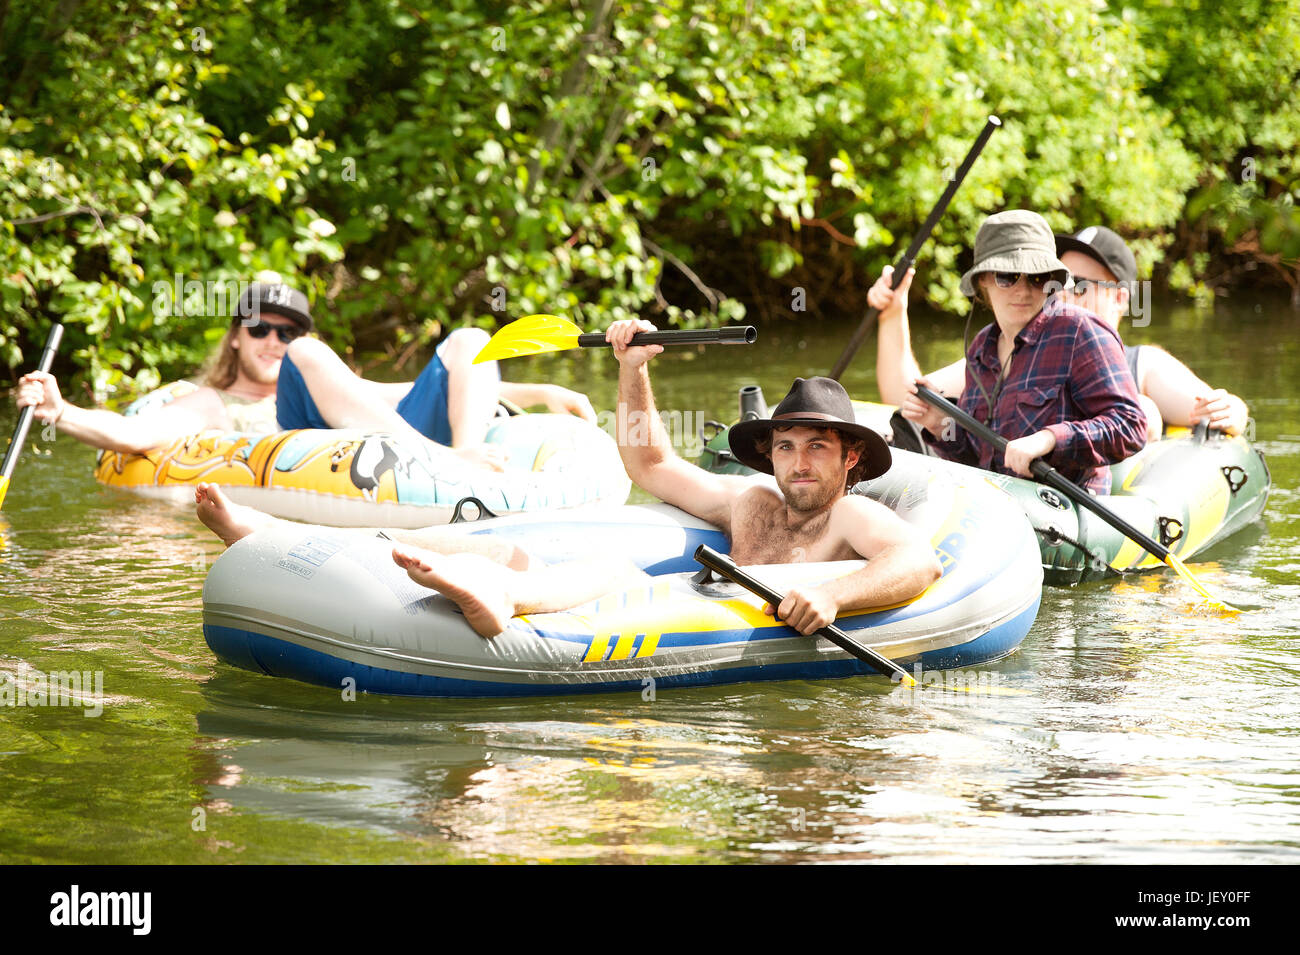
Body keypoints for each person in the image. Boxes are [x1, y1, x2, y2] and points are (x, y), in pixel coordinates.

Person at [195, 320, 943, 639]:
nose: (800, 460)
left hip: (688, 621)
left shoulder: (850, 522)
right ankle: (280, 531)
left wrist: (832, 592)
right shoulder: (747, 501)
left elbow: (919, 561)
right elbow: (649, 462)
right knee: (505, 544)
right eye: (786, 446)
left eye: (818, 447)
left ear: (850, 458)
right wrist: (631, 369)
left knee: (608, 570)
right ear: (769, 456)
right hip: (687, 600)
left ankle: (498, 605)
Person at [14, 281, 595, 469]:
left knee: (471, 338)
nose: (275, 342)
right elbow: (136, 436)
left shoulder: (330, 380)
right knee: (314, 357)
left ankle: (464, 459)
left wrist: (540, 390)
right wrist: (61, 412)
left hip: (402, 443)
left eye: (287, 333)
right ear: (236, 336)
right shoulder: (213, 400)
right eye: (262, 329)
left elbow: (396, 391)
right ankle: (447, 461)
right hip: (313, 449)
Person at [874, 225, 1248, 441]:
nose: (1062, 295)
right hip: (1021, 501)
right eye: (1055, 280)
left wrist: (1235, 410)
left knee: (1148, 412)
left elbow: (1213, 409)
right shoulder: (1006, 352)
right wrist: (894, 314)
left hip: (1100, 505)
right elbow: (904, 396)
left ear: (1120, 298)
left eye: (1080, 284)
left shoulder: (1143, 364)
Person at [871, 210, 1147, 493]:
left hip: (1063, 513)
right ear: (983, 282)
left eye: (1038, 278)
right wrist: (942, 426)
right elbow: (978, 456)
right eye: (1007, 277)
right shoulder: (981, 348)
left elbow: (1131, 427)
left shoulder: (1080, 331)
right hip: (995, 505)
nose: (1023, 290)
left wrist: (1049, 439)